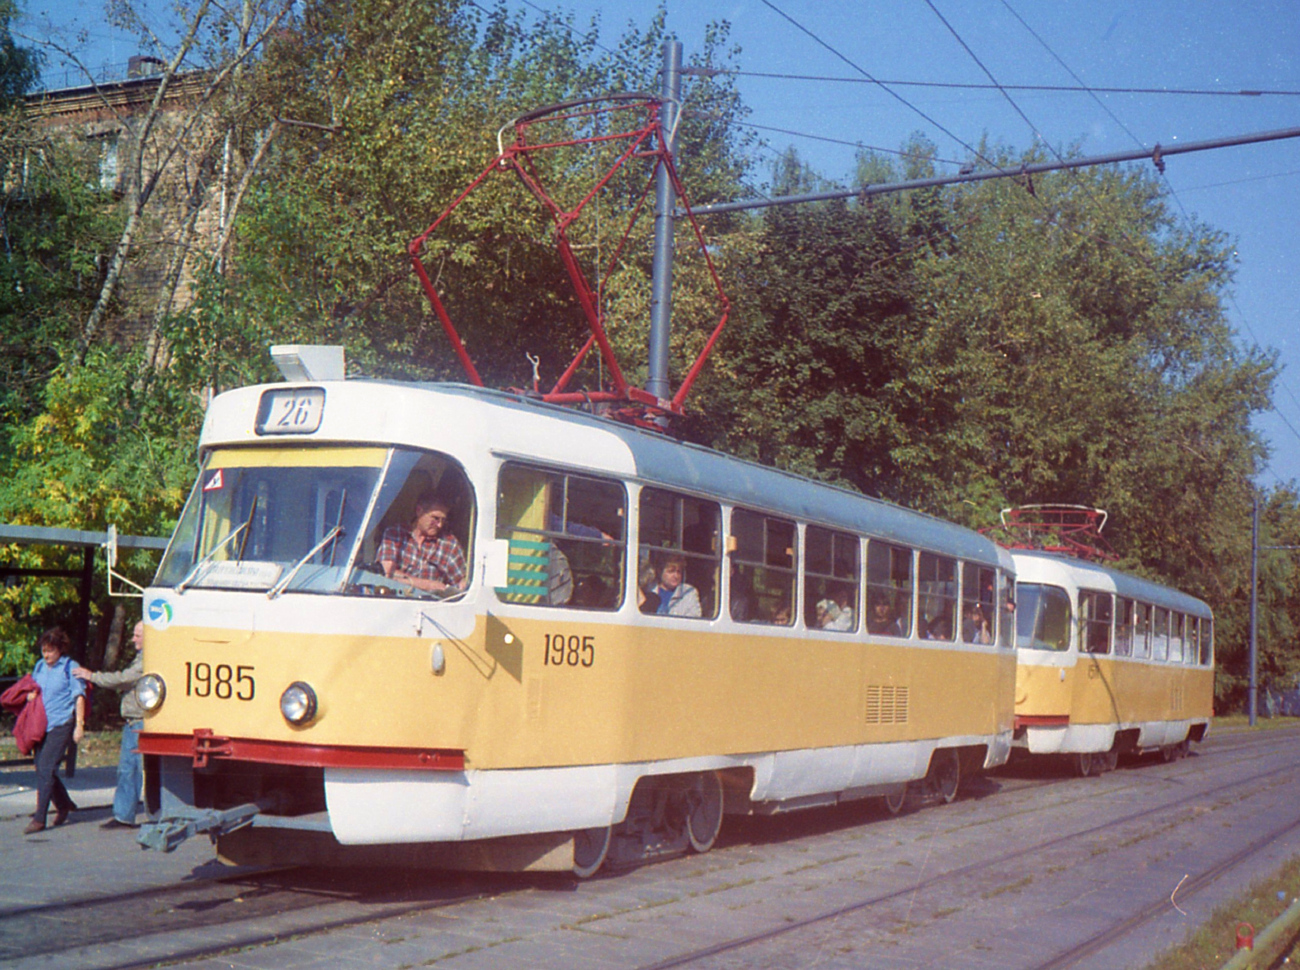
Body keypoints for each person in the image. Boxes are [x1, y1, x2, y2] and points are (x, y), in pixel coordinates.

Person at [73, 620, 145, 829]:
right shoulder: (141, 657)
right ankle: (123, 815)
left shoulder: (149, 659)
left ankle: (156, 817)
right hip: (133, 722)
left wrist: (92, 676)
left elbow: (124, 679)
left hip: (143, 722)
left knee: (141, 771)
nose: (132, 639)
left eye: (137, 635)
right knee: (126, 770)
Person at [25, 628, 85, 835]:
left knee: (47, 768)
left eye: (50, 651)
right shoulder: (40, 667)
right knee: (42, 768)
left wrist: (80, 724)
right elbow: (33, 689)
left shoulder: (70, 667)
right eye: (44, 650)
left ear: (60, 650)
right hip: (41, 724)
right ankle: (64, 803)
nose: (46, 655)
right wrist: (29, 697)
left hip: (62, 723)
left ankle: (39, 818)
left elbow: (79, 696)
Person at [377, 492, 467, 593]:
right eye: (435, 518)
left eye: (443, 520)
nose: (440, 525)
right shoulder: (395, 534)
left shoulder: (449, 544)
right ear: (419, 511)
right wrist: (430, 585)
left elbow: (460, 583)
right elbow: (386, 574)